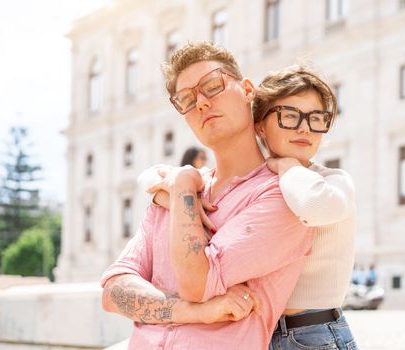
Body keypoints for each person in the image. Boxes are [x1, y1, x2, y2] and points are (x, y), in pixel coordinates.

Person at [100, 41, 314, 350]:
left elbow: (197, 283)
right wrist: (196, 312)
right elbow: (113, 292)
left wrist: (184, 185)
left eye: (212, 85)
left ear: (247, 89)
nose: (201, 102)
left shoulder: (281, 194)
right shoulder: (170, 191)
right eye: (186, 99)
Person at [143, 65, 358, 349]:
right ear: (259, 125)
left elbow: (312, 205)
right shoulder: (256, 183)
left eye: (316, 118)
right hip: (258, 334)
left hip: (314, 333)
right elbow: (149, 177)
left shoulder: (332, 182)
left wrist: (285, 164)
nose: (304, 127)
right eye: (290, 116)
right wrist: (174, 198)